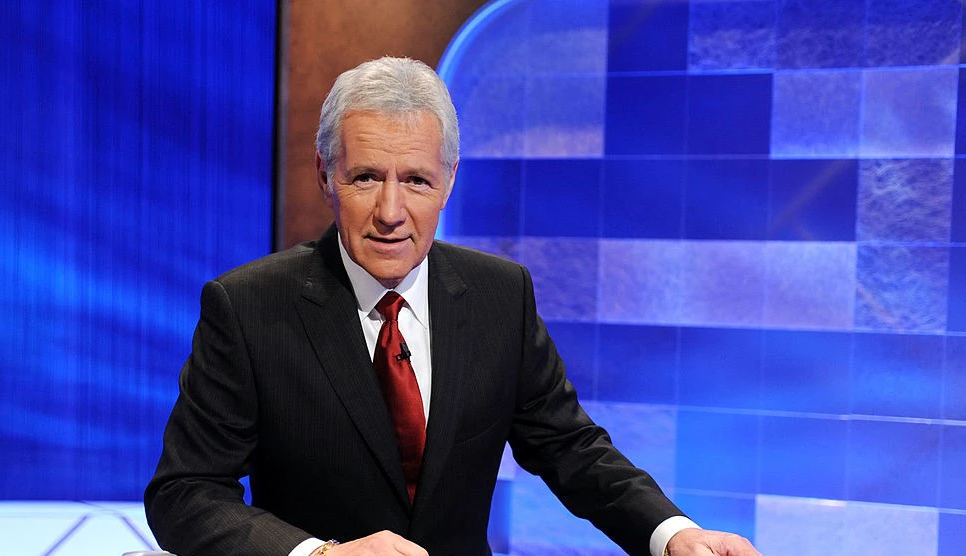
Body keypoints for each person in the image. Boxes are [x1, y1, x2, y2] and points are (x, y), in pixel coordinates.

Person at [145, 56, 760, 556]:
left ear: (450, 181)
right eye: (365, 178)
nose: (390, 212)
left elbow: (571, 448)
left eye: (416, 180)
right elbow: (186, 492)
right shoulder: (249, 307)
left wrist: (673, 533)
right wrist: (318, 555)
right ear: (325, 176)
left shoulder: (500, 295)